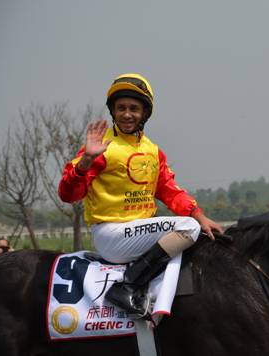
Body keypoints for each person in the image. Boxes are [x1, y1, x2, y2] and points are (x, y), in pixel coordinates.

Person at [58, 73, 223, 316]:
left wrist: (201, 215)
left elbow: (170, 190)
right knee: (187, 228)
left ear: (145, 113)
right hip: (111, 235)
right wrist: (85, 161)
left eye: (134, 108)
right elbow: (67, 194)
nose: (127, 114)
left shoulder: (153, 151)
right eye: (121, 108)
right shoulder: (101, 147)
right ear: (112, 111)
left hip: (139, 233)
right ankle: (127, 286)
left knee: (189, 236)